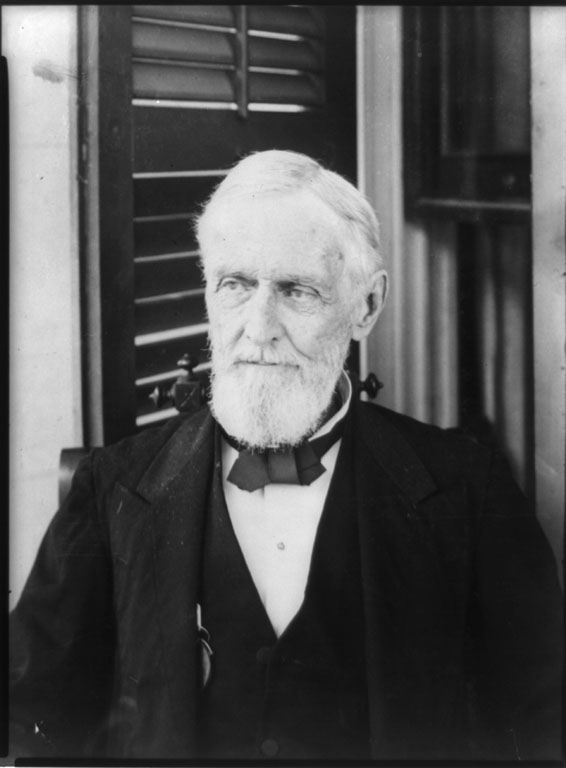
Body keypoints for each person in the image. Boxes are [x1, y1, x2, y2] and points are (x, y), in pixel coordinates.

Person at [10, 150, 563, 761]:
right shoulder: (111, 488)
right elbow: (32, 721)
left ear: (366, 307)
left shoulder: (469, 490)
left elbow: (543, 724)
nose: (259, 327)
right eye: (235, 285)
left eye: (297, 290)